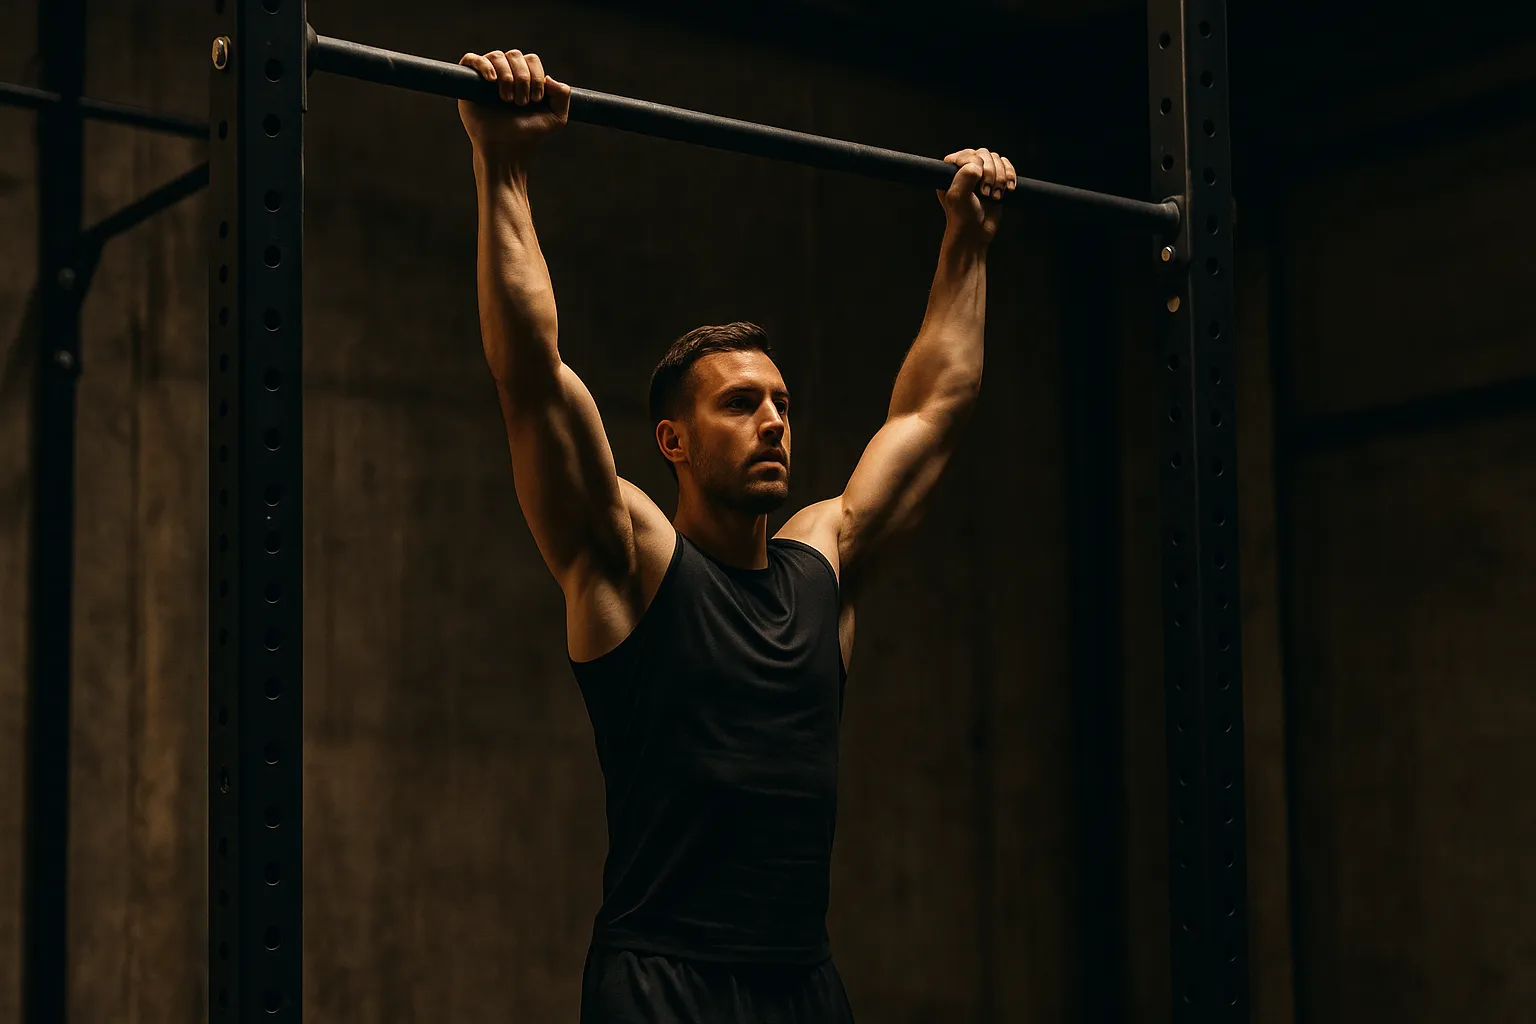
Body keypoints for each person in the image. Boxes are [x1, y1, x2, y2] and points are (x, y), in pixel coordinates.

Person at [458, 45, 1014, 1024]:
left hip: (802, 982)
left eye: (784, 404)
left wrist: (965, 239)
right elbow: (532, 375)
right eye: (742, 403)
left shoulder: (823, 563)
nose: (774, 421)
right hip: (661, 982)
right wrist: (501, 165)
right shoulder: (628, 563)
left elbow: (935, 410)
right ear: (672, 438)